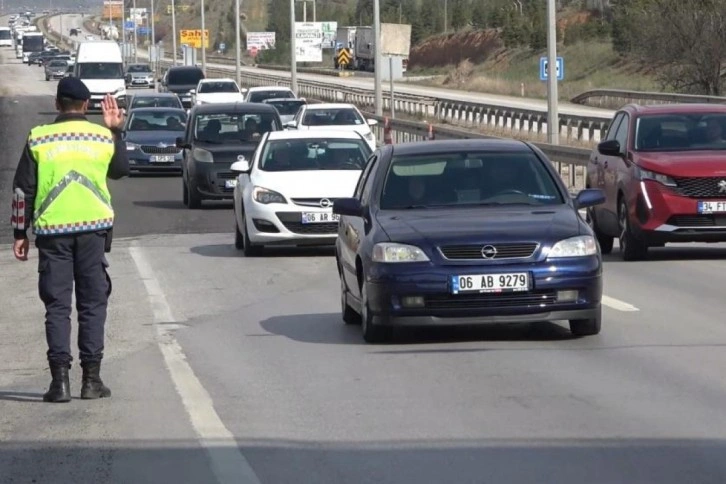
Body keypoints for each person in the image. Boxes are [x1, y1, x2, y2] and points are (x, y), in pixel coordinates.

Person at [10, 77, 129, 403]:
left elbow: (22, 191)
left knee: (57, 307)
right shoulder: (102, 136)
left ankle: (59, 382)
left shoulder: (39, 138)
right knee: (92, 305)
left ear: (57, 104)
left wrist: (20, 233)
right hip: (93, 233)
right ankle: (91, 381)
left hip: (52, 235)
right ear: (86, 106)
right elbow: (121, 170)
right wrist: (116, 130)